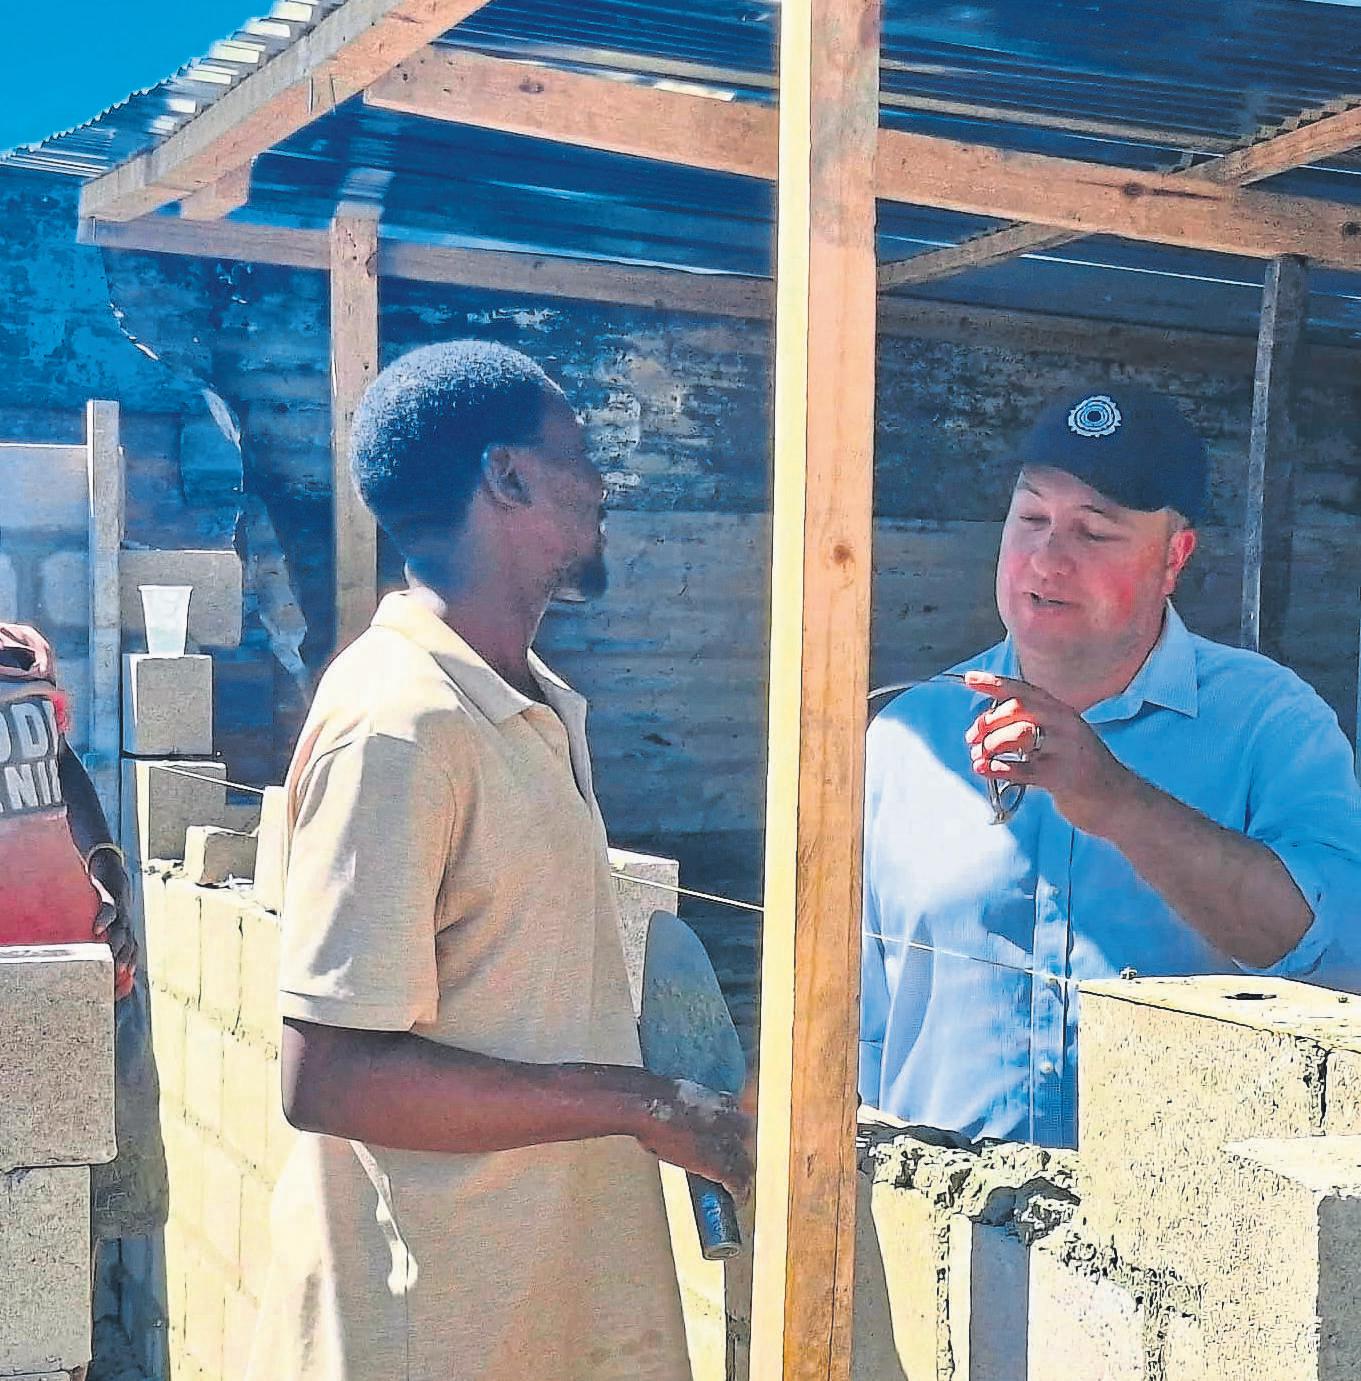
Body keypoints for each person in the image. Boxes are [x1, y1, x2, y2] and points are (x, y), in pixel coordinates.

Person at [246, 341, 751, 1381]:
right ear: (508, 476)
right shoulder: (400, 724)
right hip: (431, 1330)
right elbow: (329, 1074)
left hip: (524, 1312)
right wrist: (644, 1103)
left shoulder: (517, 702)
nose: (602, 484)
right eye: (579, 453)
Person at [860, 386, 1361, 1148]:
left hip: (1176, 1212)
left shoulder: (1270, 723)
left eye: (1093, 532)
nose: (1046, 558)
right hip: (936, 1208)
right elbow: (853, 1018)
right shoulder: (907, 738)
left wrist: (1118, 802)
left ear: (1173, 558)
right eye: (1030, 518)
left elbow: (1340, 957)